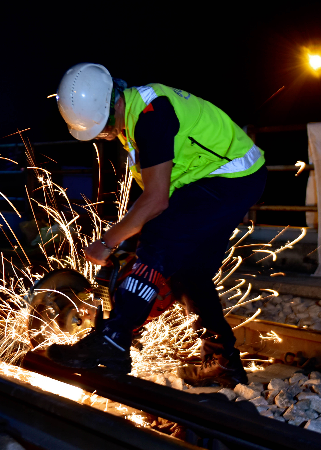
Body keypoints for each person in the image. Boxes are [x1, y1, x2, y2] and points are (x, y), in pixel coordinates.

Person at [47, 63, 267, 387]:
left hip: (231, 177)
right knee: (187, 272)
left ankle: (114, 338)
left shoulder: (151, 116)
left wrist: (108, 242)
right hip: (223, 180)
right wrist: (126, 239)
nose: (104, 135)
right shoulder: (133, 118)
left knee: (159, 238)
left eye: (103, 128)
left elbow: (156, 202)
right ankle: (223, 361)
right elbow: (155, 195)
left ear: (112, 103)